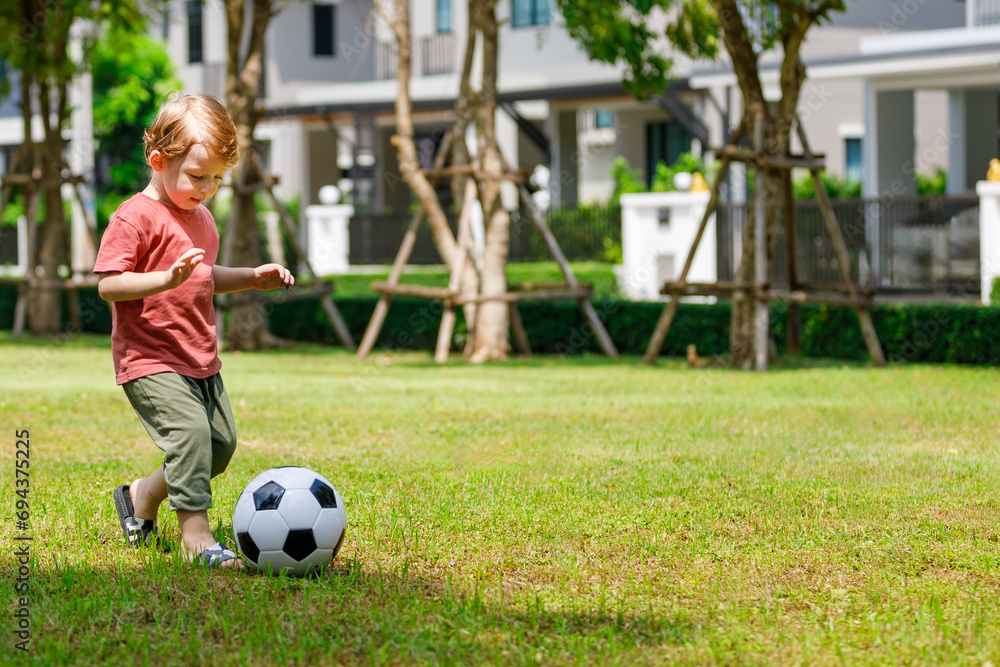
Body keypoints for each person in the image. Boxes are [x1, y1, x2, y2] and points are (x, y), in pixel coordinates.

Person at [94, 94, 294, 569]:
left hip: (199, 355)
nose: (208, 188)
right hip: (150, 358)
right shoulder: (133, 216)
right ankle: (196, 537)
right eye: (198, 176)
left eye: (218, 178)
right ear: (158, 161)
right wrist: (163, 279)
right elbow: (109, 285)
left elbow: (202, 276)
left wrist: (249, 276)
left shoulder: (201, 217)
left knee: (218, 446)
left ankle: (141, 494)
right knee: (188, 435)